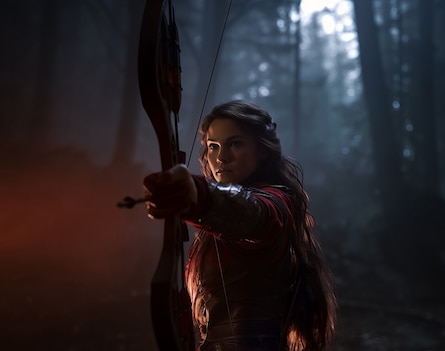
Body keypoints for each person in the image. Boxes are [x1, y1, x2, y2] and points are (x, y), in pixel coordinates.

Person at [143, 100, 336, 351]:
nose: (221, 157)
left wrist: (199, 196)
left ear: (262, 150)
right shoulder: (219, 215)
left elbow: (255, 213)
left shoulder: (276, 201)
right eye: (213, 146)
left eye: (235, 143)